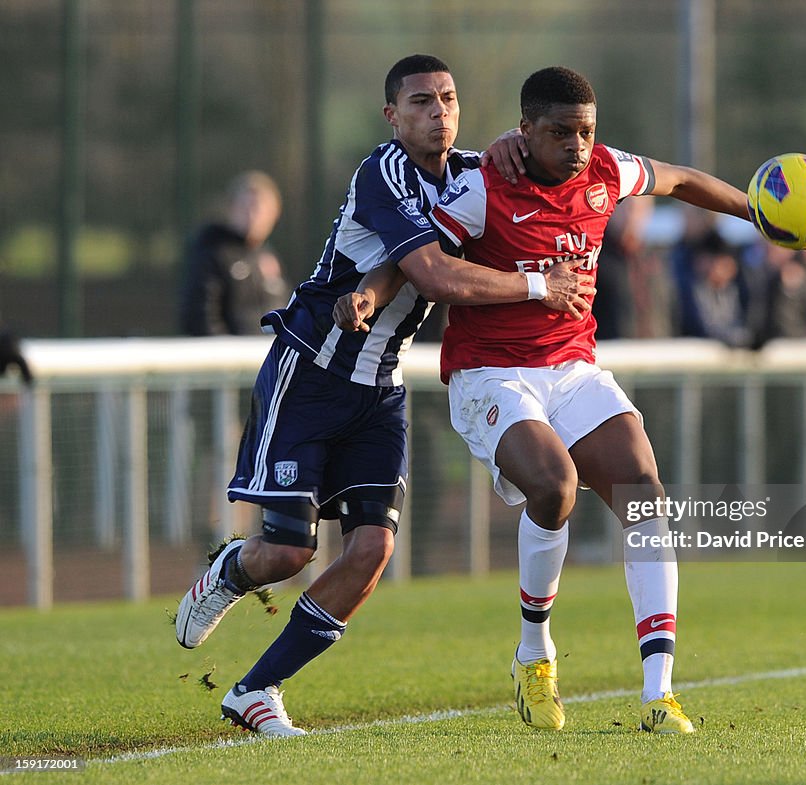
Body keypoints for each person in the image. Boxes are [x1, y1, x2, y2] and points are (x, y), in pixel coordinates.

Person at [343, 66, 806, 735]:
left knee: (644, 491)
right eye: (559, 132)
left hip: (572, 368)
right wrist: (370, 292)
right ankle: (533, 651)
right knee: (555, 487)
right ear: (526, 131)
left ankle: (660, 693)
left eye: (586, 130)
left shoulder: (606, 171)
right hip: (491, 373)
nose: (577, 145)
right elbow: (415, 257)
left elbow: (683, 180)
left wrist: (759, 213)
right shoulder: (483, 186)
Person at [173, 55, 593, 737]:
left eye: (449, 99)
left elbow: (532, 172)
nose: (439, 112)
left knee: (371, 547)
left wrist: (523, 145)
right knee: (286, 552)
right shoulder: (384, 172)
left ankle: (257, 688)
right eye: (422, 101)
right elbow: (431, 271)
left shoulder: (475, 171)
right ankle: (233, 566)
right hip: (311, 370)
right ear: (392, 116)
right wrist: (540, 287)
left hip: (382, 387)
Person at [179, 170, 291, 336]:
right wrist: (227, 356)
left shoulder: (269, 258)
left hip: (268, 358)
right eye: (246, 206)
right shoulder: (212, 251)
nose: (253, 215)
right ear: (231, 208)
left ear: (275, 213)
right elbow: (200, 318)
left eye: (260, 208)